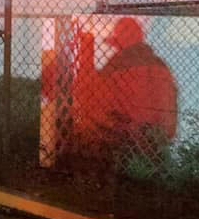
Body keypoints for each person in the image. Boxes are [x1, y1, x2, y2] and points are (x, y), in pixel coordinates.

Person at [71, 17, 177, 154]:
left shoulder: (117, 66)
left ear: (120, 42)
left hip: (123, 143)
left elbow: (89, 96)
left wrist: (86, 48)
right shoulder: (161, 67)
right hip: (156, 143)